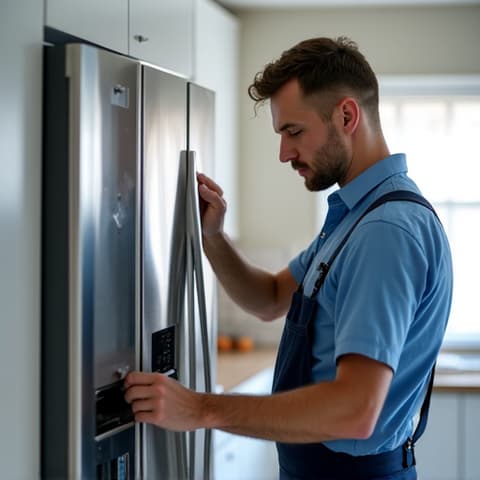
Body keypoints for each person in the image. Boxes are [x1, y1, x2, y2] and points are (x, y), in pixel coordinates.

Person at [124, 36, 453, 479]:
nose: (284, 154)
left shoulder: (384, 232)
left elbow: (356, 410)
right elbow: (271, 297)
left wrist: (201, 408)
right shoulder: (357, 215)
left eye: (294, 132)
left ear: (347, 115)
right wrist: (213, 238)